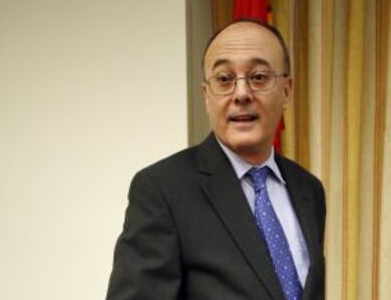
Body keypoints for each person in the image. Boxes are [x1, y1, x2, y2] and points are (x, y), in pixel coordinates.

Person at [106, 18, 326, 300]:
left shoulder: (308, 189)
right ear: (206, 95)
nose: (242, 93)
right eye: (224, 79)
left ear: (286, 90)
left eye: (258, 77)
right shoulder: (163, 190)